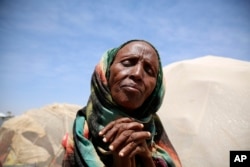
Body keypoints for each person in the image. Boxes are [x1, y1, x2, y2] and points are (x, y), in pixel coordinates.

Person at [62, 39, 182, 167]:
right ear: (106, 70)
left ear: (156, 90)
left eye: (149, 71)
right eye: (127, 63)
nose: (137, 74)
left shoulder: (156, 137)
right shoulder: (78, 136)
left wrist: (147, 160)